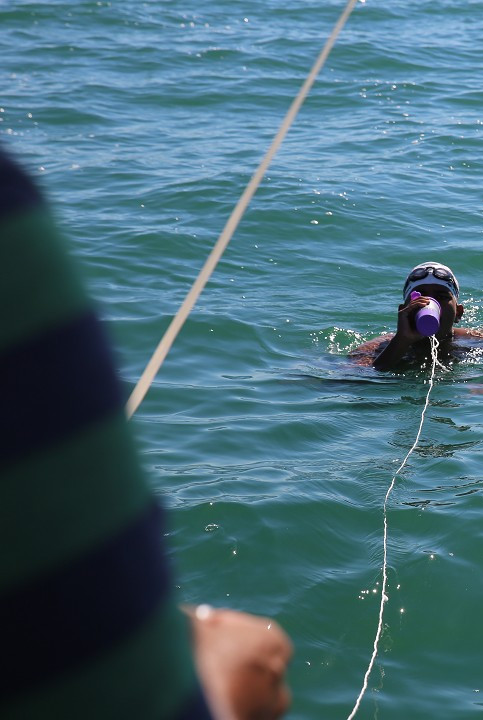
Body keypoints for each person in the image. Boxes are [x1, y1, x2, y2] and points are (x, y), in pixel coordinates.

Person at [0, 145, 292, 719]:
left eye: (439, 296)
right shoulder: (13, 230)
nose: (427, 304)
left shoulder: (478, 343)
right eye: (417, 294)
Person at [351, 261, 483, 370]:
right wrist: (401, 342)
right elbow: (349, 382)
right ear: (404, 309)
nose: (429, 303)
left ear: (458, 313)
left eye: (442, 297)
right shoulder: (375, 348)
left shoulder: (480, 341)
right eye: (419, 297)